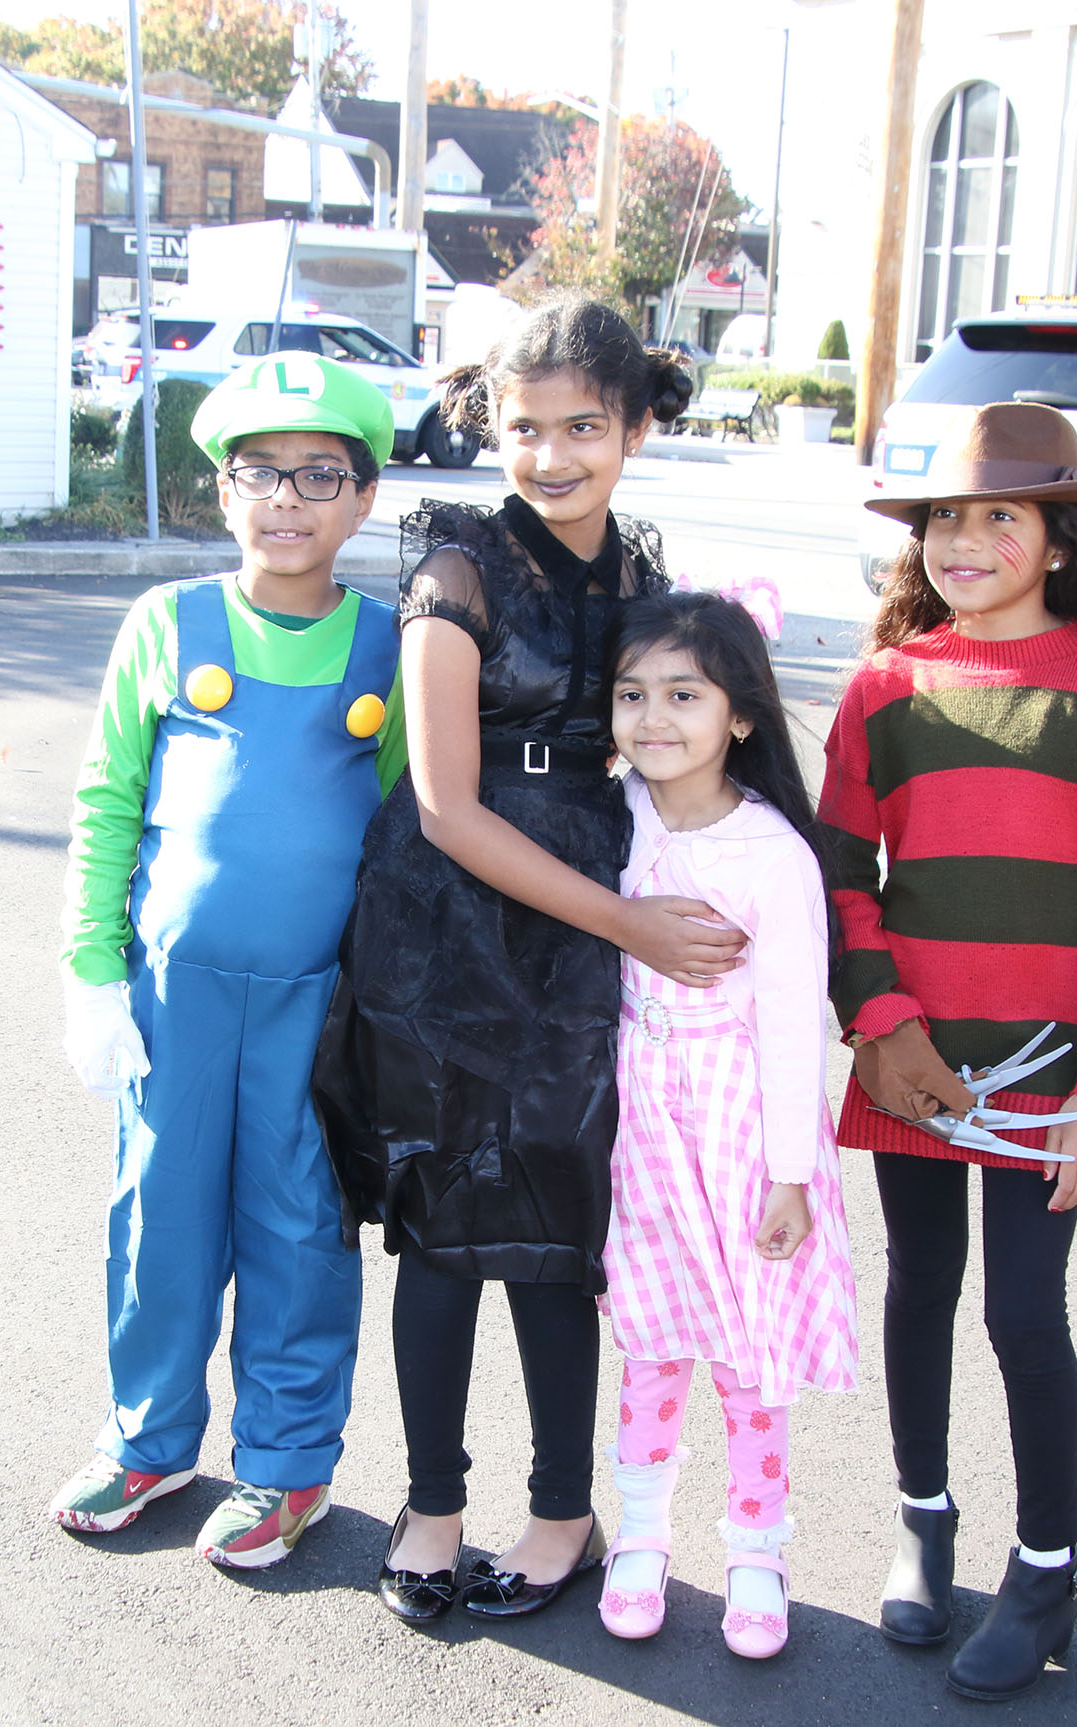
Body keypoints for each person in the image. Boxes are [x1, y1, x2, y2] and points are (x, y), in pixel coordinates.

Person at [312, 296, 746, 1626]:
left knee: (564, 1224)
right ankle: (431, 1502)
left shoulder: (646, 579)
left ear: (637, 426)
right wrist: (628, 923)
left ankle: (566, 1508)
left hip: (586, 920)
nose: (552, 455)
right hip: (449, 922)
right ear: (487, 424)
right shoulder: (454, 569)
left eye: (584, 428)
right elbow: (446, 804)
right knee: (444, 1228)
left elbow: (700, 749)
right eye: (524, 427)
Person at [821, 402, 1077, 1701]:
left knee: (1023, 1309)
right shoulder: (884, 685)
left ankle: (1047, 1566)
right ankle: (923, 1514)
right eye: (945, 517)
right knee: (919, 1278)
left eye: (1000, 515)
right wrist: (876, 1020)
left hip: (1046, 1071)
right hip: (911, 1055)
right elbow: (837, 872)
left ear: (1058, 542)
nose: (965, 538)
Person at [49, 354, 404, 1571]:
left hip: (317, 1006)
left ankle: (285, 1462)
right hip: (171, 997)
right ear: (222, 491)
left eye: (319, 474)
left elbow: (419, 828)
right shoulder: (167, 622)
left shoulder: (394, 647)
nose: (287, 499)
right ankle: (148, 1434)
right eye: (259, 471)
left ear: (362, 499)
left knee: (299, 1228)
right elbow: (105, 803)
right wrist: (91, 971)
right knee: (160, 1218)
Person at [596, 589, 858, 1660]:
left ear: (738, 715)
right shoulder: (611, 815)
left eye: (683, 694)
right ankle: (639, 1536)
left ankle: (756, 1547)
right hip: (638, 1121)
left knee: (750, 1352)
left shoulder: (772, 853)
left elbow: (794, 1017)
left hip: (744, 1127)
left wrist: (789, 1171)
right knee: (649, 1340)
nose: (652, 717)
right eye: (630, 693)